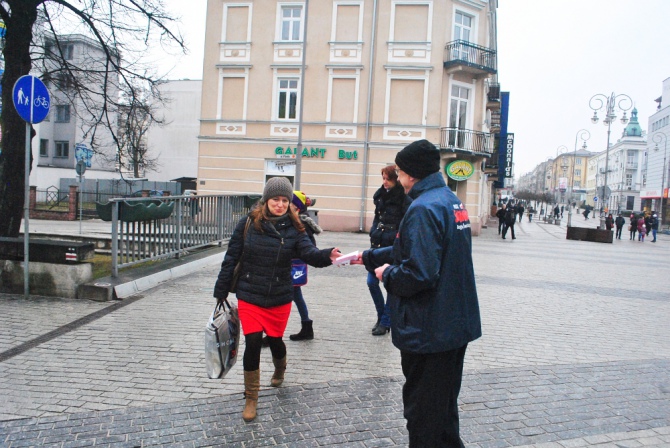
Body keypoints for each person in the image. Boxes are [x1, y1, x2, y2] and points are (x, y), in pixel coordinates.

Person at [359, 139, 481, 447]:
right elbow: (420, 249)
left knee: (424, 416)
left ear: (410, 173)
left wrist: (387, 273)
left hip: (429, 328)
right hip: (452, 324)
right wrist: (369, 256)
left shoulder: (423, 208)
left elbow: (419, 274)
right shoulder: (449, 200)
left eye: (399, 171)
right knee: (442, 413)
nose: (397, 178)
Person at [213, 177, 340, 422]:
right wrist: (221, 289)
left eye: (284, 200)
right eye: (275, 199)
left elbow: (308, 253)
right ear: (266, 200)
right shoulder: (248, 223)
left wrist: (328, 255)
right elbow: (232, 256)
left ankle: (280, 367)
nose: (280, 205)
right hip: (250, 293)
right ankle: (251, 397)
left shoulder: (295, 227)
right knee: (251, 343)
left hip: (280, 296)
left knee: (275, 340)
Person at [368, 165, 411, 336]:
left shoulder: (404, 199)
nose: (385, 182)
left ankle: (385, 322)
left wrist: (398, 239)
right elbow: (376, 217)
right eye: (383, 178)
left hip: (393, 245)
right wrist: (374, 231)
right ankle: (382, 316)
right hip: (377, 242)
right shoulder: (380, 196)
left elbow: (407, 223)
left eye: (388, 179)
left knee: (391, 286)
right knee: (371, 282)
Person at [288, 191, 320, 341]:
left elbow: (310, 247)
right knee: (296, 296)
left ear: (298, 207)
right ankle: (306, 327)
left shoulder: (300, 224)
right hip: (290, 265)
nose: (286, 204)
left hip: (293, 265)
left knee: (290, 296)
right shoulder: (291, 220)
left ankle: (272, 332)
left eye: (290, 202)